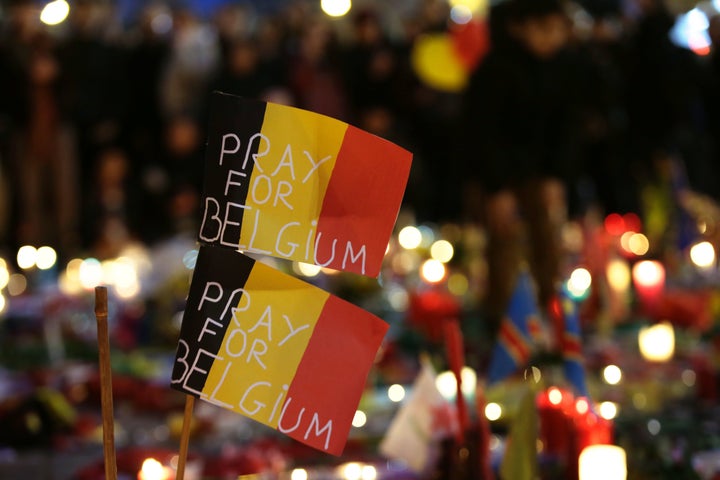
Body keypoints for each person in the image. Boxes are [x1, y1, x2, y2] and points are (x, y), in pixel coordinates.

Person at [462, 0, 584, 322]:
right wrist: (496, 186)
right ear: (520, 28)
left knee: (549, 247)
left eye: (558, 29)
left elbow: (567, 127)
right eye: (544, 29)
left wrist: (557, 175)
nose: (552, 38)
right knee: (504, 250)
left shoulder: (563, 68)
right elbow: (483, 133)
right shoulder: (494, 70)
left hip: (542, 175)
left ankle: (547, 320)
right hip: (502, 177)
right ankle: (503, 327)